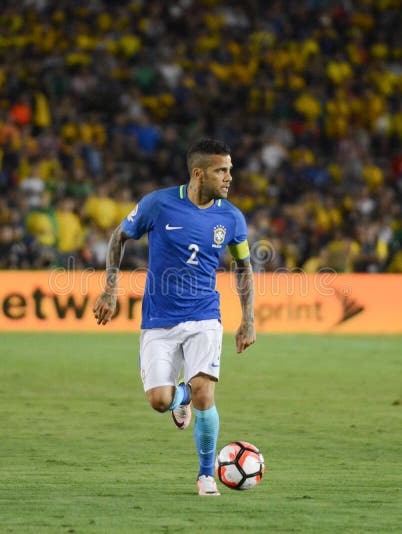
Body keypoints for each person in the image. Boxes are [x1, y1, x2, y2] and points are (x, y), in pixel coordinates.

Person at [92, 138, 256, 496]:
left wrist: (248, 318)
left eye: (230, 169)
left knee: (204, 393)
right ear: (199, 173)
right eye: (221, 170)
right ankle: (178, 401)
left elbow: (243, 267)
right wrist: (110, 289)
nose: (230, 177)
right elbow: (119, 238)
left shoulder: (231, 217)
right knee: (160, 401)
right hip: (159, 320)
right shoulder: (159, 204)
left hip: (204, 317)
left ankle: (205, 475)